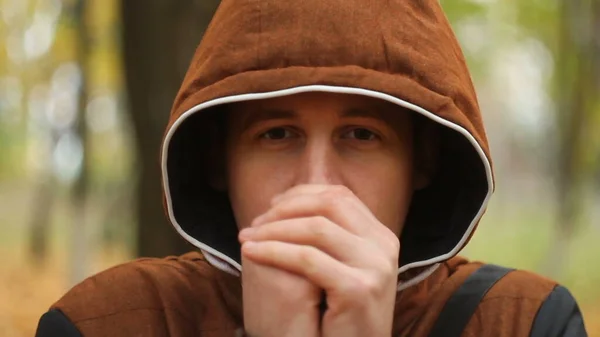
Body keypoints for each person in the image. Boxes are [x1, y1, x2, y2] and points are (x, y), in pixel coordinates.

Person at [35, 0, 588, 336]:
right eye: (276, 135)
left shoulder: (525, 323)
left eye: (361, 136)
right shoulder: (107, 324)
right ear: (218, 163)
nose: (316, 183)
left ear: (422, 163)